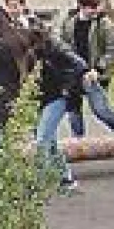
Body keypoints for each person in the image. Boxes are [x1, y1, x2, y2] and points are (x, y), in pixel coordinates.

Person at [29, 24, 91, 193]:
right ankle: (65, 179)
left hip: (57, 97)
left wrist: (67, 88)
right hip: (41, 98)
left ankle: (40, 182)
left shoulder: (55, 48)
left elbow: (80, 64)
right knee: (50, 141)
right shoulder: (29, 52)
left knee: (42, 139)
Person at [59, 0, 114, 136]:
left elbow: (112, 50)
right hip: (74, 73)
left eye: (97, 6)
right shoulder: (69, 22)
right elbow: (62, 46)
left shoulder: (104, 24)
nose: (95, 10)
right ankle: (78, 141)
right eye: (91, 7)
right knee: (73, 110)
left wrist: (98, 69)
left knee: (100, 110)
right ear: (82, 6)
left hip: (94, 74)